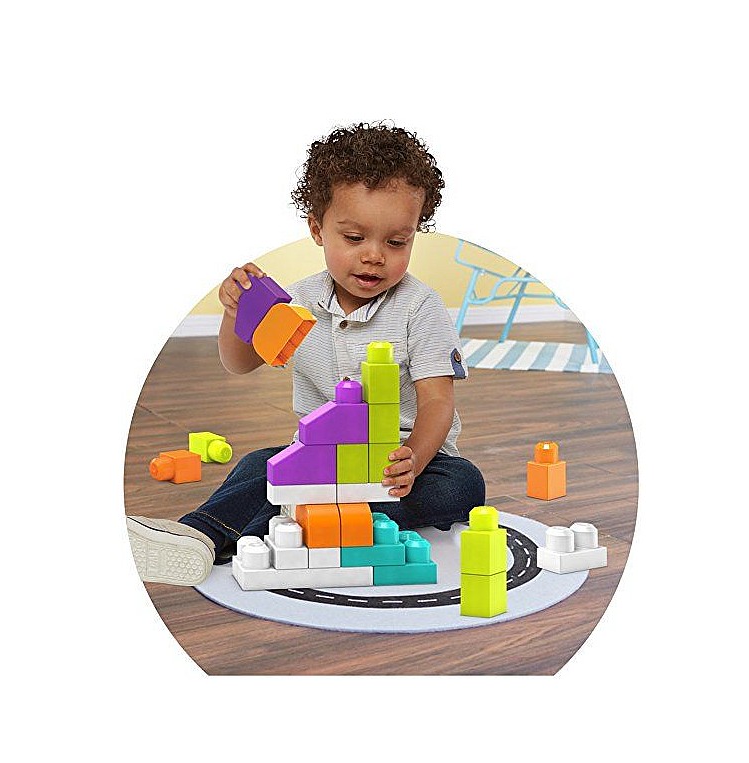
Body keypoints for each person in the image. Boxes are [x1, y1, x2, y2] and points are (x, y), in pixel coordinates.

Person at [127, 122, 486, 586]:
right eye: (354, 238)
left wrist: (414, 459)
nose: (374, 255)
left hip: (402, 464)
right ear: (318, 229)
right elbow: (239, 362)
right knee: (258, 464)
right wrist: (235, 314)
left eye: (397, 242)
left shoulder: (420, 307)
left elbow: (437, 400)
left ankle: (272, 530)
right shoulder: (298, 303)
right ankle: (199, 534)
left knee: (462, 484)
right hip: (322, 458)